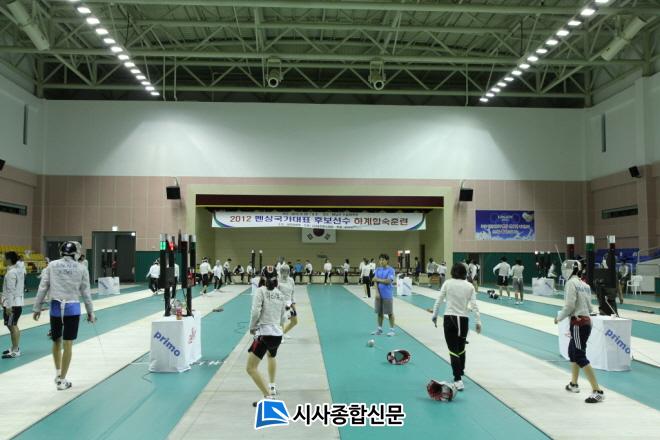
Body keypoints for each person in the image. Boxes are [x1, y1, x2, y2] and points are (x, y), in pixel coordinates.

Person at [33, 241, 95, 391]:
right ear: (75, 254)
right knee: (68, 344)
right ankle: (62, 380)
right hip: (72, 309)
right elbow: (86, 292)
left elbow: (43, 287)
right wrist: (90, 312)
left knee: (56, 341)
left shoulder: (52, 265)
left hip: (55, 308)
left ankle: (58, 374)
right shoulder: (82, 268)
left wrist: (37, 308)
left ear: (61, 252)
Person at [554, 260, 604, 404]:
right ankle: (573, 384)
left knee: (579, 356)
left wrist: (559, 317)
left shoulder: (571, 283)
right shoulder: (585, 285)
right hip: (586, 321)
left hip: (578, 323)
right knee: (572, 352)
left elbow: (569, 305)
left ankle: (597, 391)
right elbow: (590, 307)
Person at [431, 263, 481, 391]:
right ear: (465, 273)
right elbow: (474, 305)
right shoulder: (470, 286)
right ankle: (461, 370)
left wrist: (434, 315)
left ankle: (458, 379)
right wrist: (478, 321)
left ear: (452, 272)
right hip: (463, 320)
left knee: (453, 350)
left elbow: (439, 300)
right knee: (461, 348)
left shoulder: (447, 283)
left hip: (450, 319)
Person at [247, 269, 287, 406]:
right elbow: (283, 318)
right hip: (277, 336)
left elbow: (255, 311)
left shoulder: (260, 291)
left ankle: (268, 398)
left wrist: (252, 327)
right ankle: (271, 388)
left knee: (251, 368)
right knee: (271, 356)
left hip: (264, 334)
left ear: (263, 277)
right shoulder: (280, 294)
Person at [2, 252, 25, 359]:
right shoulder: (18, 270)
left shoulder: (11, 273)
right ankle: (14, 347)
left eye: (3, 258)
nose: (2, 260)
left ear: (9, 260)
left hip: (13, 305)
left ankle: (15, 350)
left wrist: (9, 306)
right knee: (12, 325)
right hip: (16, 303)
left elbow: (11, 291)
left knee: (12, 326)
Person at [371, 254, 396, 337]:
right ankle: (379, 330)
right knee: (379, 313)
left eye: (383, 260)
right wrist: (377, 293)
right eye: (380, 260)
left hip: (387, 295)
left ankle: (392, 330)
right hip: (379, 295)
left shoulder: (391, 270)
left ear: (387, 260)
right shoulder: (378, 269)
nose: (381, 261)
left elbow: (388, 281)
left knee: (390, 313)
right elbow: (374, 281)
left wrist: (378, 279)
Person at [278, 265, 298, 336]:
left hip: (290, 303)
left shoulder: (291, 280)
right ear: (281, 271)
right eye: (283, 271)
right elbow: (275, 294)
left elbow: (293, 293)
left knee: (295, 322)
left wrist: (293, 303)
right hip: (281, 304)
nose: (285, 272)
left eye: (287, 271)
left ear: (289, 271)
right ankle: (280, 337)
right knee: (282, 322)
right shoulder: (278, 281)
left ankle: (283, 333)